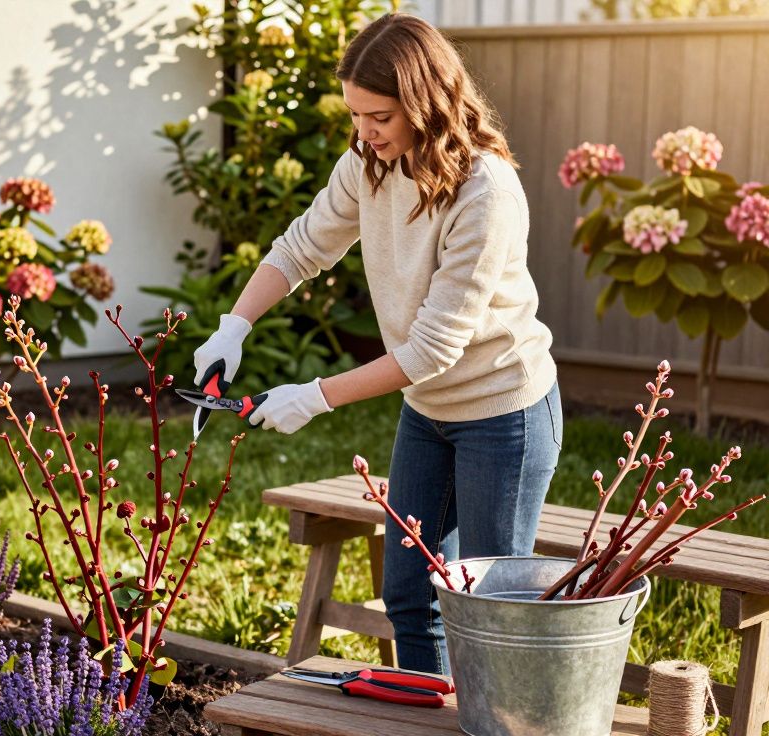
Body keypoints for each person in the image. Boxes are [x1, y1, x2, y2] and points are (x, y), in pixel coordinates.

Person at [191, 12, 562, 675]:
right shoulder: (366, 166)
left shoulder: (486, 192)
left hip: (504, 413)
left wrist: (315, 396)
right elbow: (303, 246)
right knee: (409, 592)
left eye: (380, 117)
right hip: (429, 411)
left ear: (426, 104)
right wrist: (235, 325)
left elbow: (430, 352)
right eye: (357, 116)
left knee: (491, 608)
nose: (364, 132)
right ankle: (426, 710)